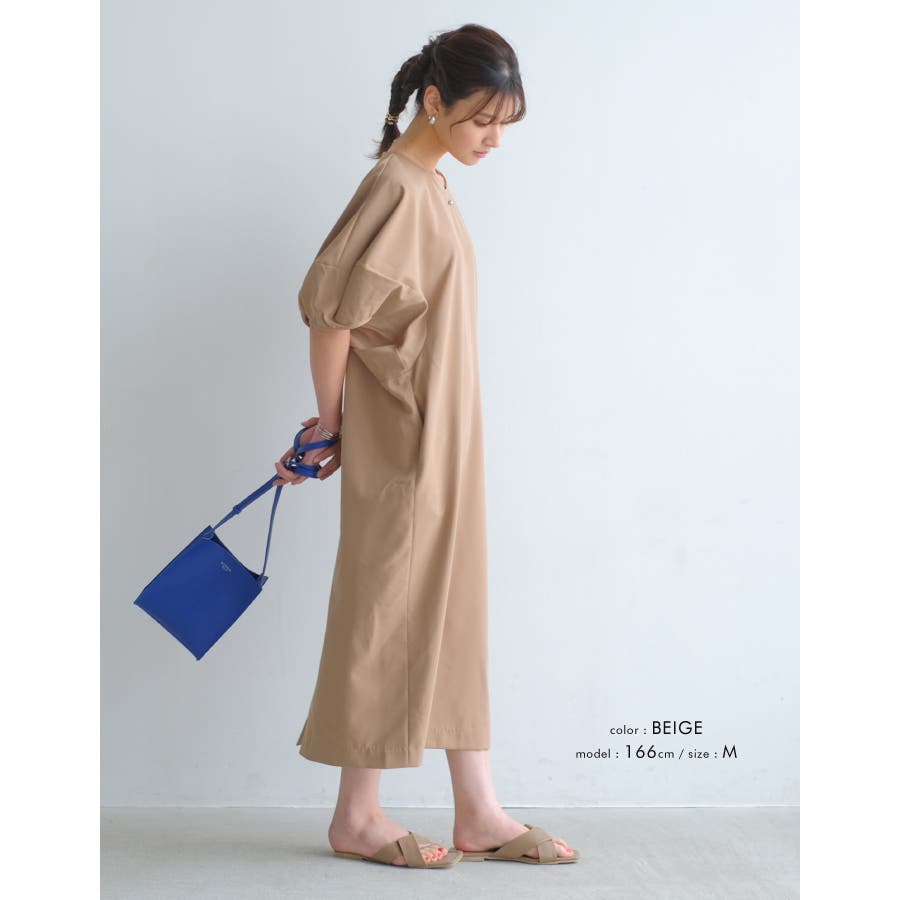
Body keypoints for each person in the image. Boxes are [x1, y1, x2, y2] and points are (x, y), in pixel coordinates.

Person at [273, 23, 579, 869]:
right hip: (404, 440)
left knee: (452, 610)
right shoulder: (398, 187)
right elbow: (331, 313)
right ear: (435, 102)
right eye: (483, 120)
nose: (494, 140)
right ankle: (357, 815)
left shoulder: (432, 185)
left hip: (445, 437)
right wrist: (330, 423)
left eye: (505, 125)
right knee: (388, 613)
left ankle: (478, 809)